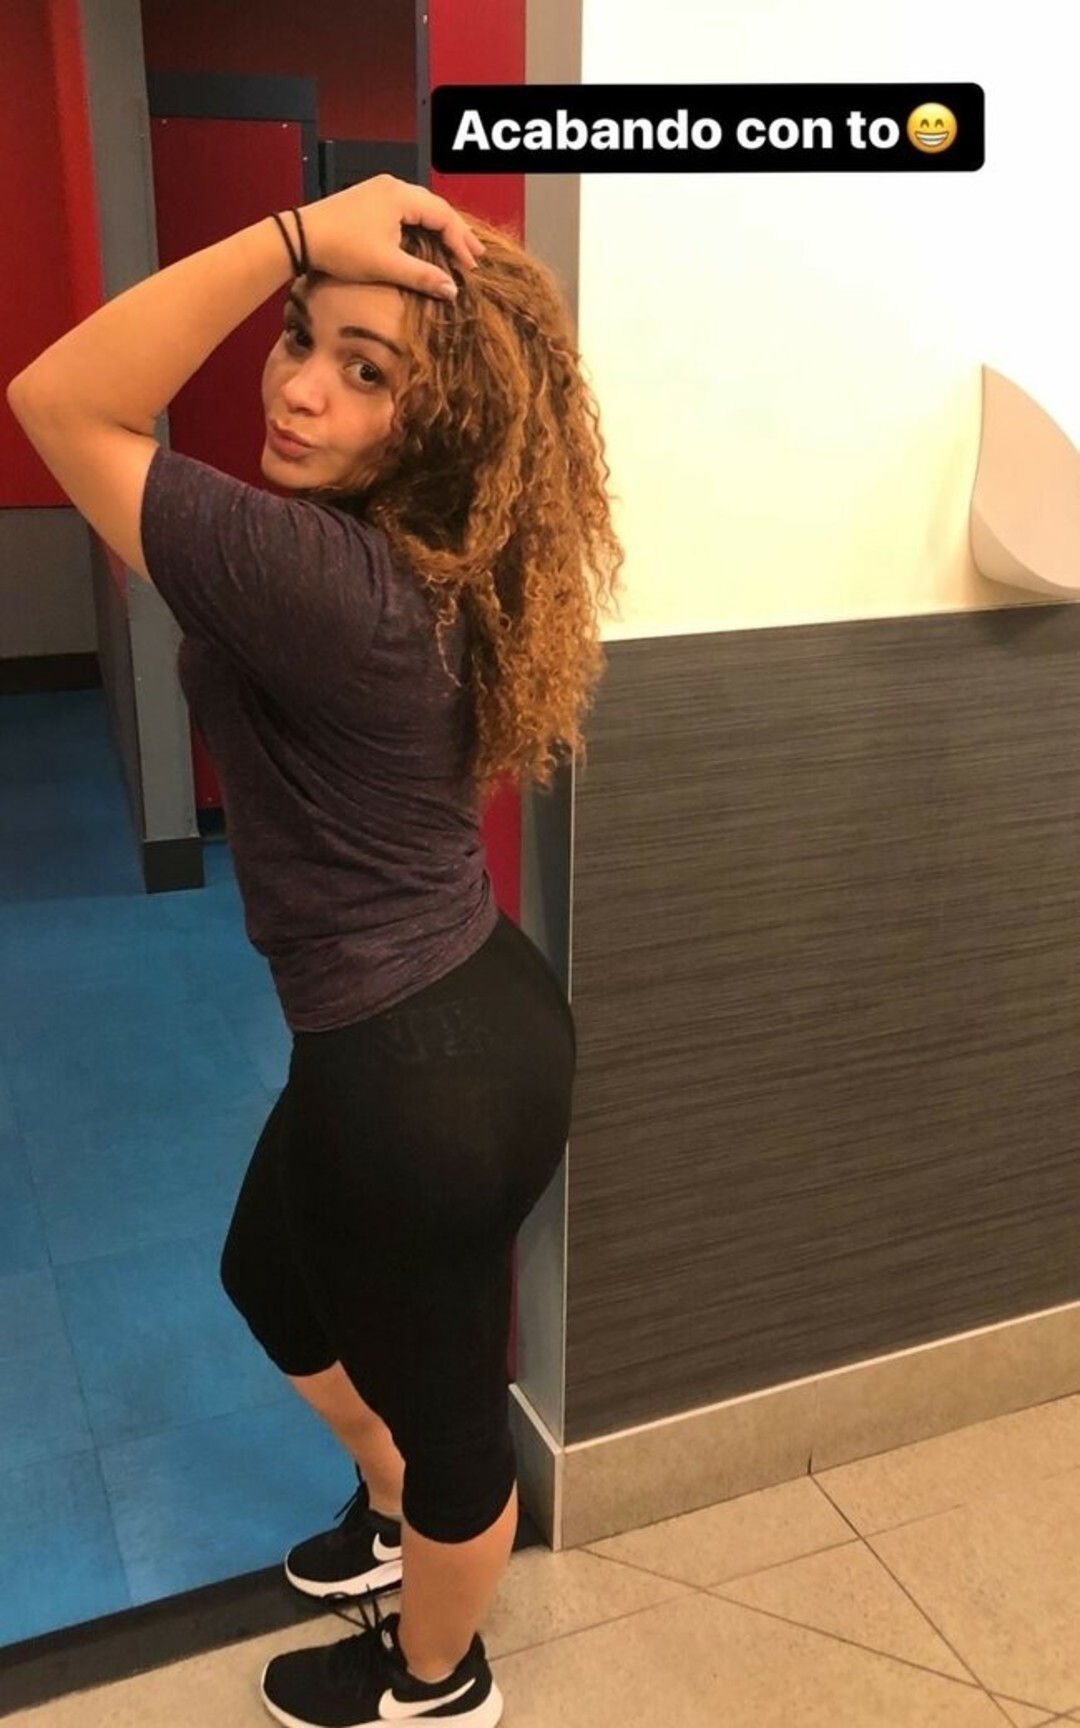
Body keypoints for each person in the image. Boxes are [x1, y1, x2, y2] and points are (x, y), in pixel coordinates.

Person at [7, 176, 621, 1727]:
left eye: (367, 371)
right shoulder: (417, 555)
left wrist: (295, 235)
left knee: (455, 1412)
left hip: (418, 1078)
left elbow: (59, 401)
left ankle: (438, 1678)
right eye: (302, 340)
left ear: (441, 422)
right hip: (453, 1015)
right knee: (264, 1274)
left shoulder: (330, 584)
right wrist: (318, 266)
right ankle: (392, 1501)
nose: (297, 388)